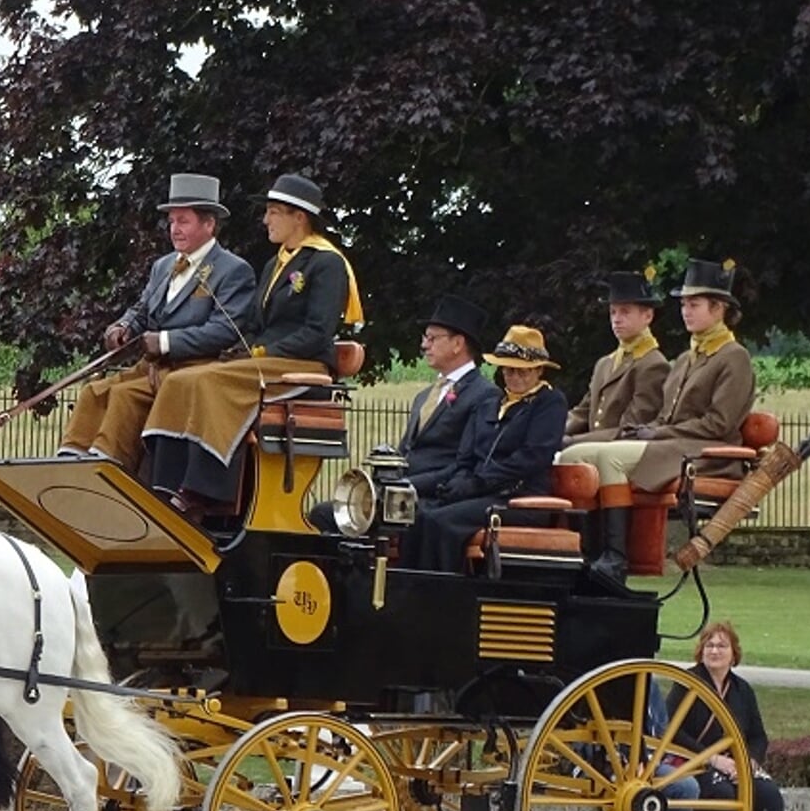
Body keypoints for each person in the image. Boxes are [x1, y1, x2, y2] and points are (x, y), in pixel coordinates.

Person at [139, 173, 364, 511]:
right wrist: (242, 350)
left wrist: (263, 352)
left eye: (274, 212)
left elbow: (318, 332)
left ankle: (206, 491)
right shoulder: (276, 263)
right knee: (182, 379)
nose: (265, 220)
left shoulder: (327, 263)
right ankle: (163, 483)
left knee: (208, 380)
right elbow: (256, 324)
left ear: (298, 217)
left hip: (303, 366)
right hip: (266, 362)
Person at [555, 258, 754, 586]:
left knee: (609, 456)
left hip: (706, 452)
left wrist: (660, 432)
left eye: (695, 304)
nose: (686, 311)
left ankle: (616, 557)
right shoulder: (686, 358)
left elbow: (719, 423)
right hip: (673, 444)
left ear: (718, 308)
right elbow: (663, 415)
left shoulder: (734, 357)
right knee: (577, 457)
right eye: (684, 304)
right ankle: (588, 551)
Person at [56, 173, 256, 470]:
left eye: (183, 221)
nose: (174, 229)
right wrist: (122, 327)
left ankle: (108, 468)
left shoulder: (233, 270)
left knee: (124, 395)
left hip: (194, 371)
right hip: (152, 369)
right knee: (93, 392)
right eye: (172, 221)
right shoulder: (163, 266)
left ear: (209, 224)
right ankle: (70, 462)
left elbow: (225, 330)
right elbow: (142, 309)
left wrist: (164, 342)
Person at [309, 294, 497, 532]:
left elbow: (464, 464)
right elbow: (406, 451)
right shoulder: (424, 396)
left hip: (434, 498)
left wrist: (407, 485)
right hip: (401, 493)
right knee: (326, 515)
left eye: (432, 338)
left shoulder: (483, 394)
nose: (424, 345)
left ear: (458, 344)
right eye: (424, 338)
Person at [397, 325, 569, 572]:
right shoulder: (491, 403)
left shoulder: (549, 402)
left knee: (441, 522)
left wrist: (479, 482)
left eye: (523, 371)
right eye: (509, 369)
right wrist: (459, 483)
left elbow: (532, 457)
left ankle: (442, 594)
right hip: (481, 494)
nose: (515, 377)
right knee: (419, 516)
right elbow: (466, 457)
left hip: (520, 497)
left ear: (539, 370)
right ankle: (408, 587)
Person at [664, 621, 792, 811]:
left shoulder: (742, 690)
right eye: (709, 645)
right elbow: (672, 732)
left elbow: (758, 735)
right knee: (722, 793)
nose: (714, 651)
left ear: (733, 653)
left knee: (769, 794)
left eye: (722, 645)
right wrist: (712, 759)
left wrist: (749, 762)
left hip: (737, 763)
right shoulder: (688, 684)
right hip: (696, 761)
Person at [563, 269, 671, 444]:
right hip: (591, 449)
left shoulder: (654, 365)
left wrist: (573, 441)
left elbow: (630, 429)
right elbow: (583, 412)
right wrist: (551, 433)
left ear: (648, 316)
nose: (617, 319)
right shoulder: (605, 363)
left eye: (625, 312)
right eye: (613, 312)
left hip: (619, 454)